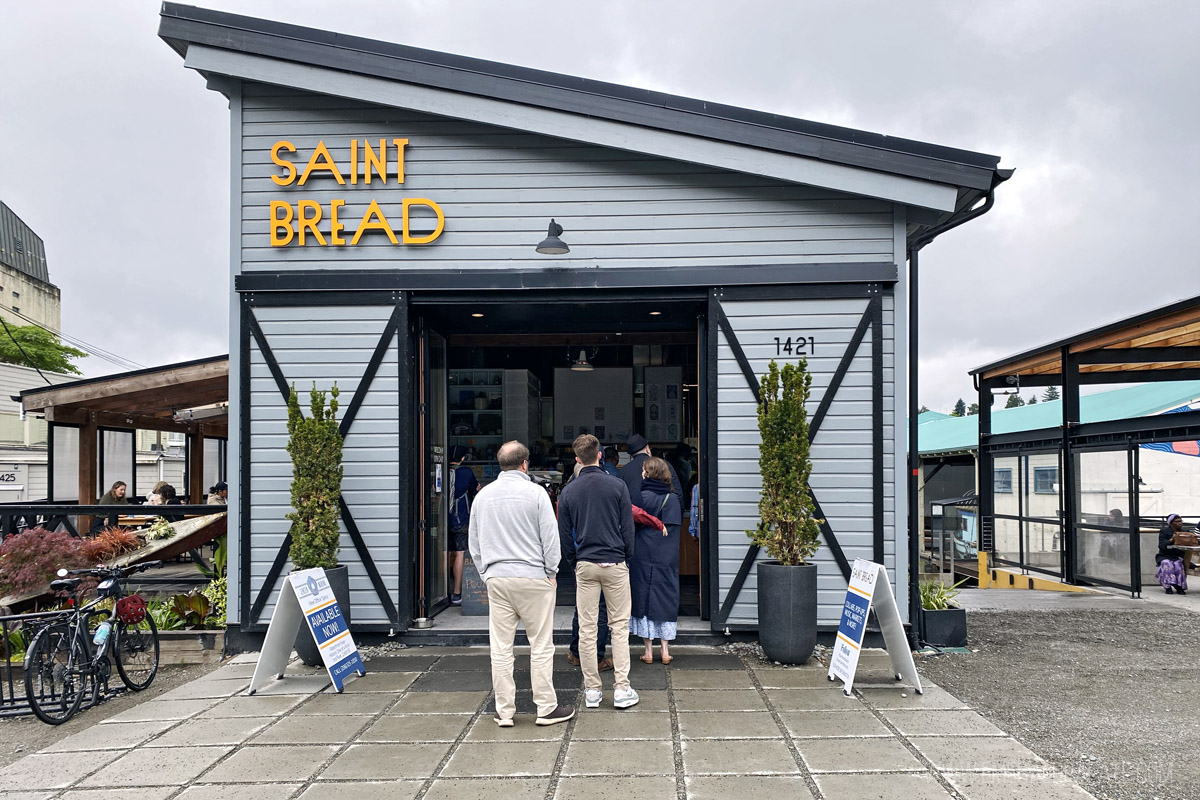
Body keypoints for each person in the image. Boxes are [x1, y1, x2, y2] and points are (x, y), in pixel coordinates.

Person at [468, 440, 573, 727]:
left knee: (501, 647)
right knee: (540, 645)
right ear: (525, 464)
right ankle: (546, 708)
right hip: (533, 577)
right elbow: (551, 539)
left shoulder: (483, 496)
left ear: (501, 464)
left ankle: (504, 712)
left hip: (498, 578)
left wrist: (485, 573)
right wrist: (552, 572)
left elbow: (474, 542)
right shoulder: (536, 493)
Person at [558, 433, 639, 710]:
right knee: (619, 627)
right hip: (615, 562)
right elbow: (628, 528)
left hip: (586, 563)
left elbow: (565, 538)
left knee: (588, 628)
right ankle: (621, 688)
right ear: (600, 455)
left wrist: (575, 561)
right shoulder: (617, 486)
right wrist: (625, 556)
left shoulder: (569, 492)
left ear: (577, 459)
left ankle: (592, 691)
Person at [630, 457, 682, 665]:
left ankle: (648, 652)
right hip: (665, 555)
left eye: (644, 470)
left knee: (642, 596)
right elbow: (674, 531)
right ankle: (666, 651)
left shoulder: (638, 497)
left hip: (641, 554)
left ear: (648, 473)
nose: (642, 473)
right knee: (666, 596)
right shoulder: (673, 499)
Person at [448, 446, 479, 606]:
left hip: (441, 521)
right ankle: (457, 593)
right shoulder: (466, 472)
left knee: (442, 554)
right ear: (463, 458)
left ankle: (440, 593)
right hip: (461, 520)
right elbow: (476, 489)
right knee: (460, 554)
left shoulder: (440, 471)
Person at [619, 434, 682, 509]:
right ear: (647, 449)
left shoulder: (623, 471)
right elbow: (677, 492)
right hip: (663, 517)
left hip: (634, 518)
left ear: (631, 455)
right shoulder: (663, 465)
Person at [1156, 513, 1189, 595]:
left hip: (1178, 556)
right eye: (1177, 521)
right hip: (1165, 555)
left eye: (1181, 521)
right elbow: (1161, 546)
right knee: (1167, 564)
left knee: (1178, 564)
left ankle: (1179, 587)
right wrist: (1171, 540)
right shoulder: (1164, 532)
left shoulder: (1185, 532)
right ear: (1171, 523)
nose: (1179, 523)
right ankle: (1168, 586)